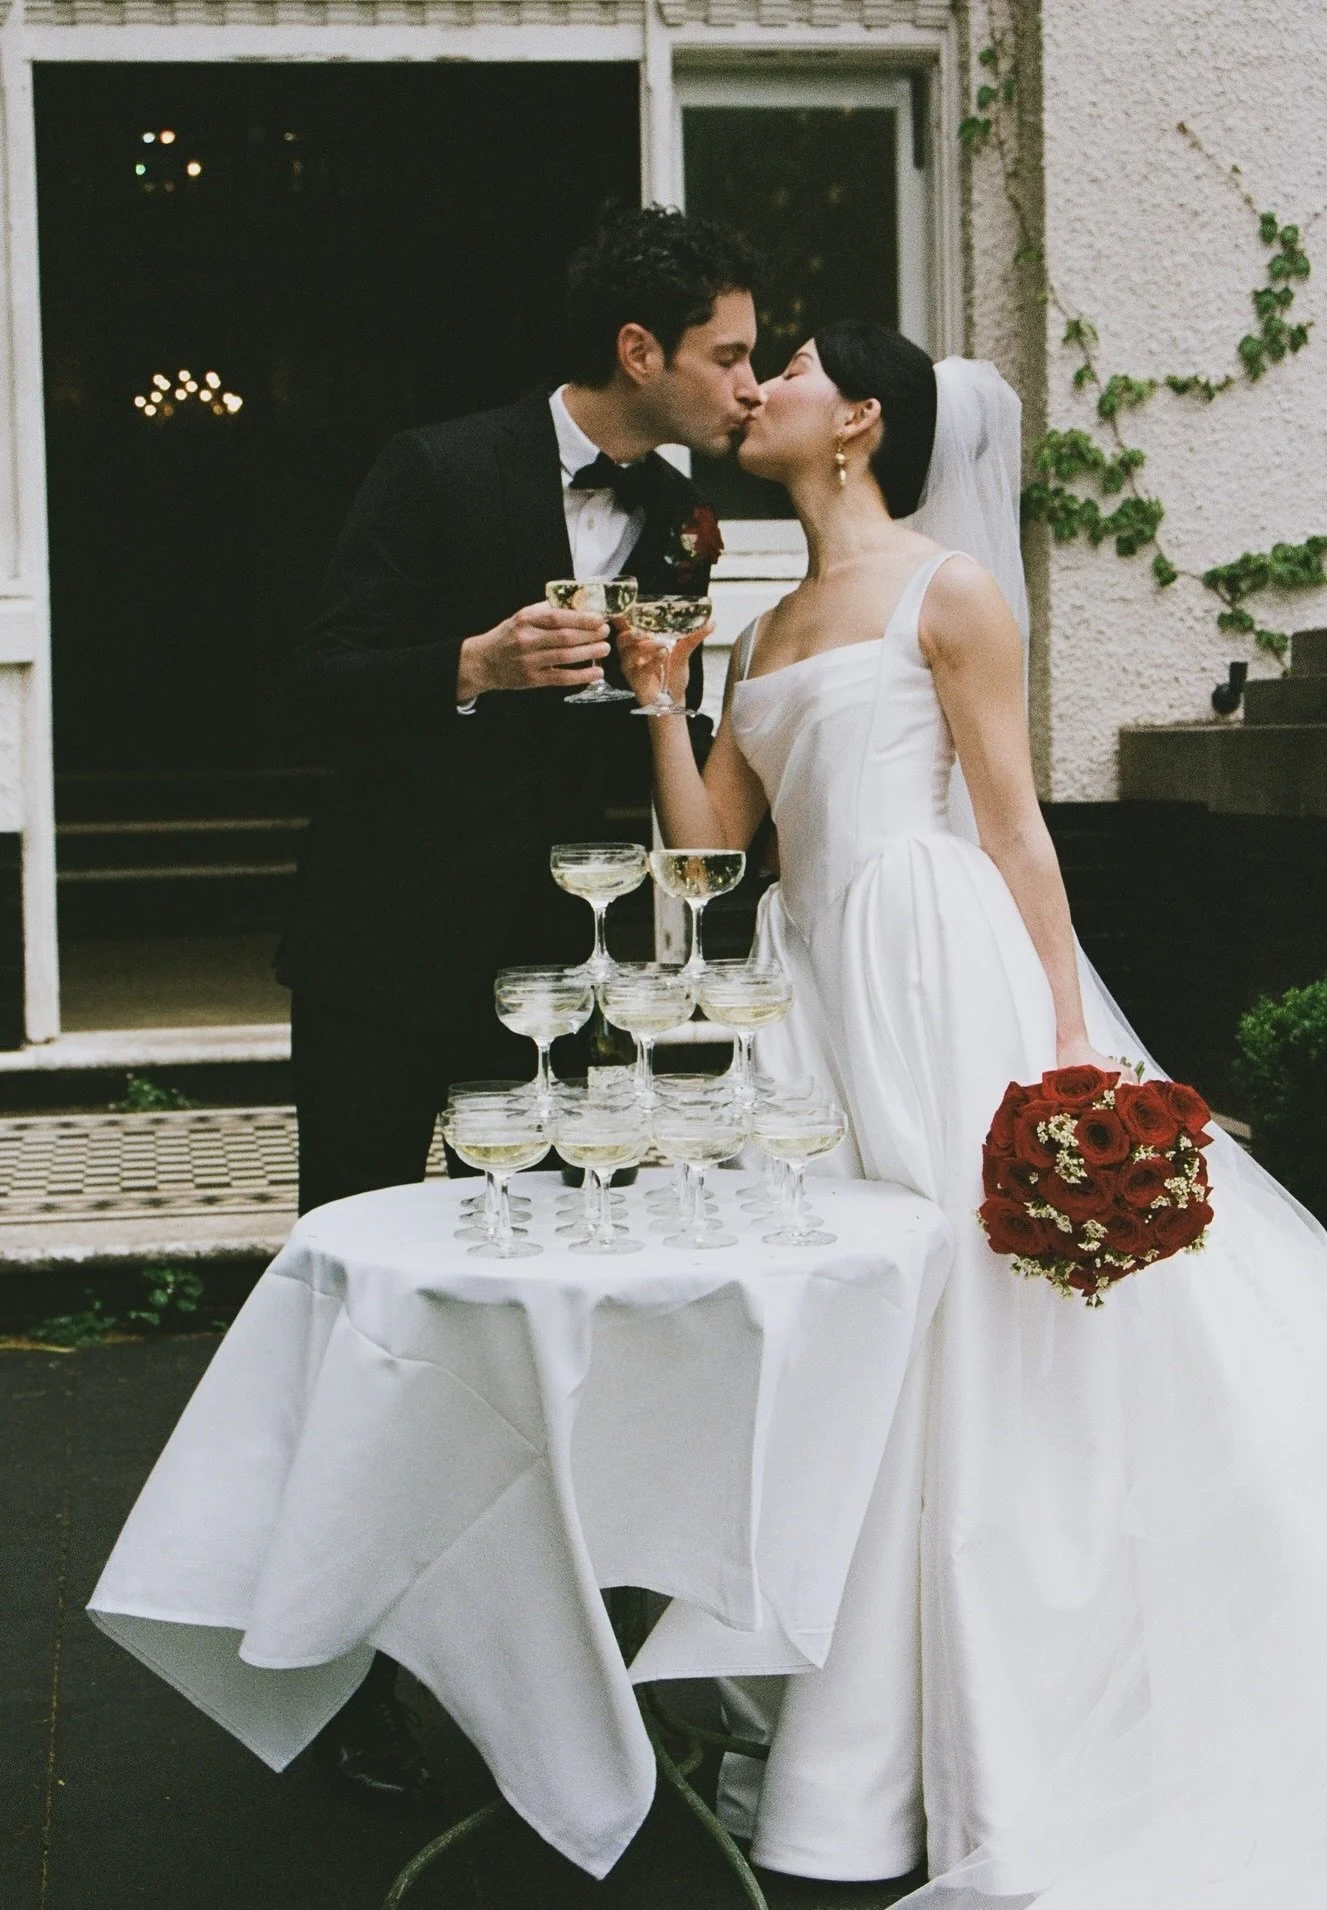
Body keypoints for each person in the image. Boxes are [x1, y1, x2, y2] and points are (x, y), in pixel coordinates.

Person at [619, 322, 1327, 1907]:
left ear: (859, 421)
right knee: (849, 1331)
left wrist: (1068, 1045)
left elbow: (1015, 828)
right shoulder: (764, 624)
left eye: (786, 368)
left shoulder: (951, 592)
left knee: (978, 1337)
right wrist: (663, 698)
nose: (758, 390)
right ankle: (858, 1724)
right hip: (809, 998)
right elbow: (713, 850)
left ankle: (989, 1712)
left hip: (939, 977)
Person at [279, 204, 760, 1802]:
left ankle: (549, 1670)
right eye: (726, 357)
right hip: (380, 961)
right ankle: (326, 1675)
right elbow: (317, 680)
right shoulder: (435, 466)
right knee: (357, 1315)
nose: (745, 390)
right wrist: (474, 665)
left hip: (562, 985)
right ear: (641, 352)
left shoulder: (690, 517)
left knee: (550, 1323)